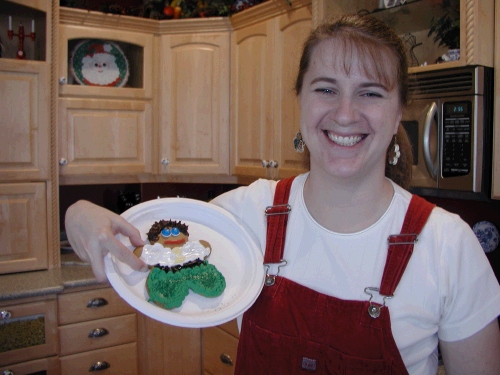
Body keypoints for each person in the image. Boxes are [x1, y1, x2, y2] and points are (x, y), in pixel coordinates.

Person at [65, 14, 500, 375]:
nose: (345, 114)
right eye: (326, 89)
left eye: (370, 92)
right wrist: (80, 214)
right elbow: (138, 246)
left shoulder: (449, 246)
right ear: (300, 100)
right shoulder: (247, 214)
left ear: (398, 112)